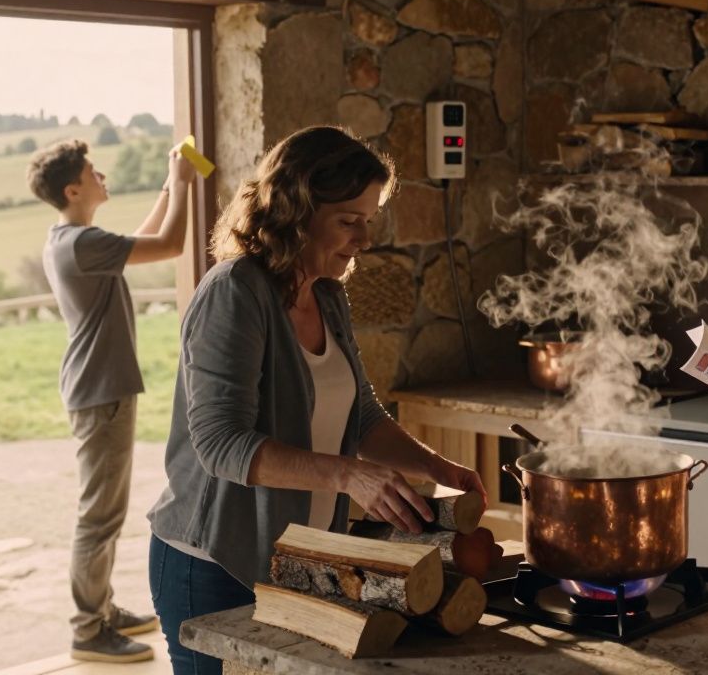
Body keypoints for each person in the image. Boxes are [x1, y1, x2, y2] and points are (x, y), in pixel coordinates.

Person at [146, 125, 487, 673]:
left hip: (297, 560)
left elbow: (362, 418)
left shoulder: (326, 294)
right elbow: (219, 444)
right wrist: (349, 476)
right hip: (212, 565)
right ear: (296, 208)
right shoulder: (235, 292)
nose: (364, 239)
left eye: (368, 221)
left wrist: (436, 465)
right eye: (349, 221)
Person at [29, 138, 195, 662]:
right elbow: (169, 245)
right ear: (73, 189)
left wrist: (170, 187)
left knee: (103, 511)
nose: (103, 174)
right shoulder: (80, 243)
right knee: (98, 516)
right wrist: (187, 185)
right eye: (92, 170)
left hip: (99, 390)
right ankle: (87, 630)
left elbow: (141, 240)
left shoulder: (73, 239)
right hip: (102, 393)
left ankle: (101, 608)